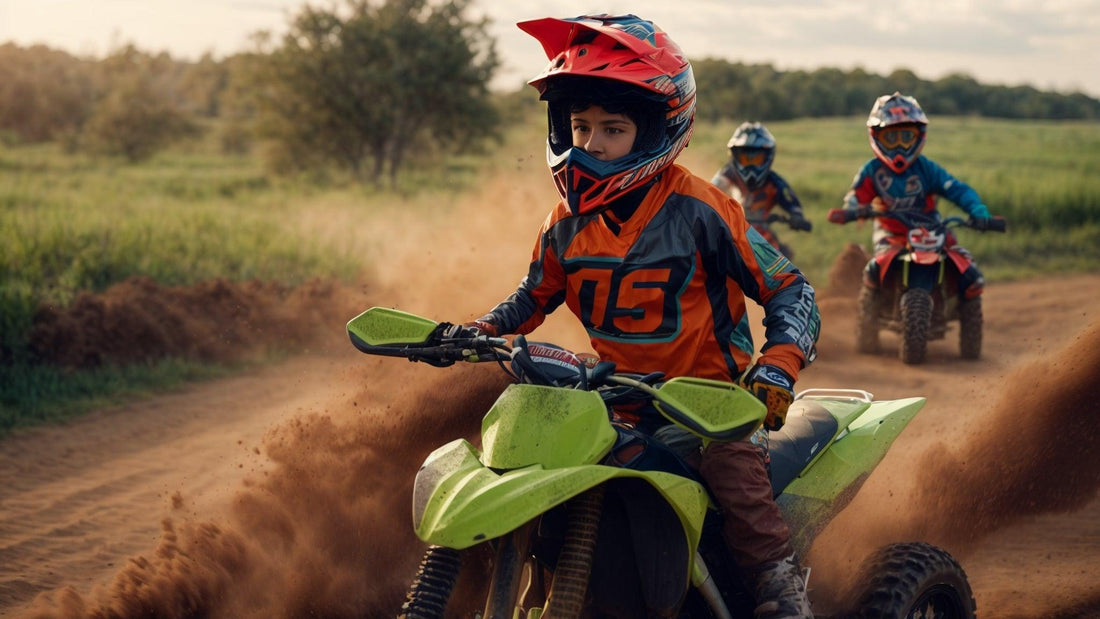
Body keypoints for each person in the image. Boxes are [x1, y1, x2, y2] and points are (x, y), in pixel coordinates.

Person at [447, 14, 820, 618]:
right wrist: (481, 330)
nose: (590, 145)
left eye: (612, 129)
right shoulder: (564, 223)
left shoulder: (702, 210)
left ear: (655, 132)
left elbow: (791, 289)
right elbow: (531, 298)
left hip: (711, 404)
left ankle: (783, 590)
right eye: (580, 126)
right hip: (616, 400)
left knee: (733, 474)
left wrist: (777, 367)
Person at [830, 91, 998, 300]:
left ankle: (963, 305)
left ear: (919, 136)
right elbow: (857, 196)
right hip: (890, 233)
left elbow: (956, 189)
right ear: (876, 137)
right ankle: (870, 312)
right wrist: (850, 211)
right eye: (891, 138)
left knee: (969, 272)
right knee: (873, 273)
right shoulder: (872, 171)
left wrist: (977, 209)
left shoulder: (926, 168)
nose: (900, 147)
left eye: (907, 137)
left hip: (931, 230)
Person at [711, 122, 812, 258]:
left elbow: (791, 202)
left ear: (767, 157)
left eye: (756, 159)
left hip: (762, 235)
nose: (751, 166)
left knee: (782, 261)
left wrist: (797, 217)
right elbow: (709, 193)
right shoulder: (727, 174)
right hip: (730, 231)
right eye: (745, 159)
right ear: (735, 156)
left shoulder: (775, 182)